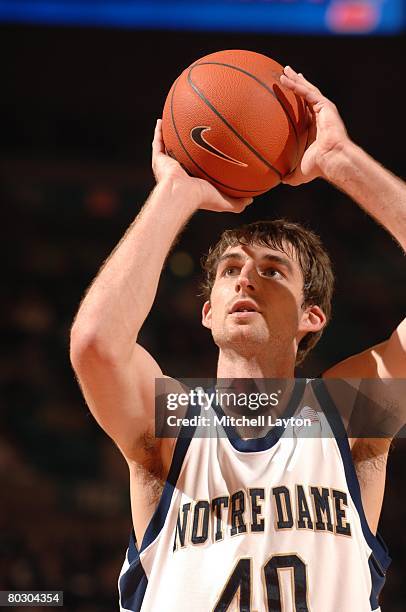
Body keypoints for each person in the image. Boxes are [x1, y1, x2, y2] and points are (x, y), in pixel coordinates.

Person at [70, 65, 406, 611]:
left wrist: (340, 161)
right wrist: (175, 192)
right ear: (208, 312)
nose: (245, 278)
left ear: (312, 317)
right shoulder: (173, 424)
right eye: (230, 271)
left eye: (272, 271)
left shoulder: (347, 415)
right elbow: (95, 345)